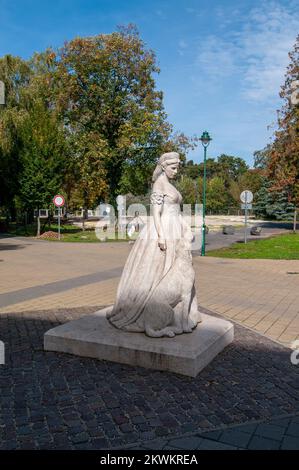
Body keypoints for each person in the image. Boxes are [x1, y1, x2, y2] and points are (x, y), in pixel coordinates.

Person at [106, 152, 202, 337]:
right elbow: (156, 214)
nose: (175, 171)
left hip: (175, 230)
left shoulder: (170, 185)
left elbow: (176, 211)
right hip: (163, 230)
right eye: (173, 168)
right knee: (155, 271)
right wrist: (160, 236)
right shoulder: (159, 185)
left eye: (177, 168)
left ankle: (181, 316)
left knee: (180, 271)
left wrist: (185, 228)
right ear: (164, 166)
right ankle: (147, 311)